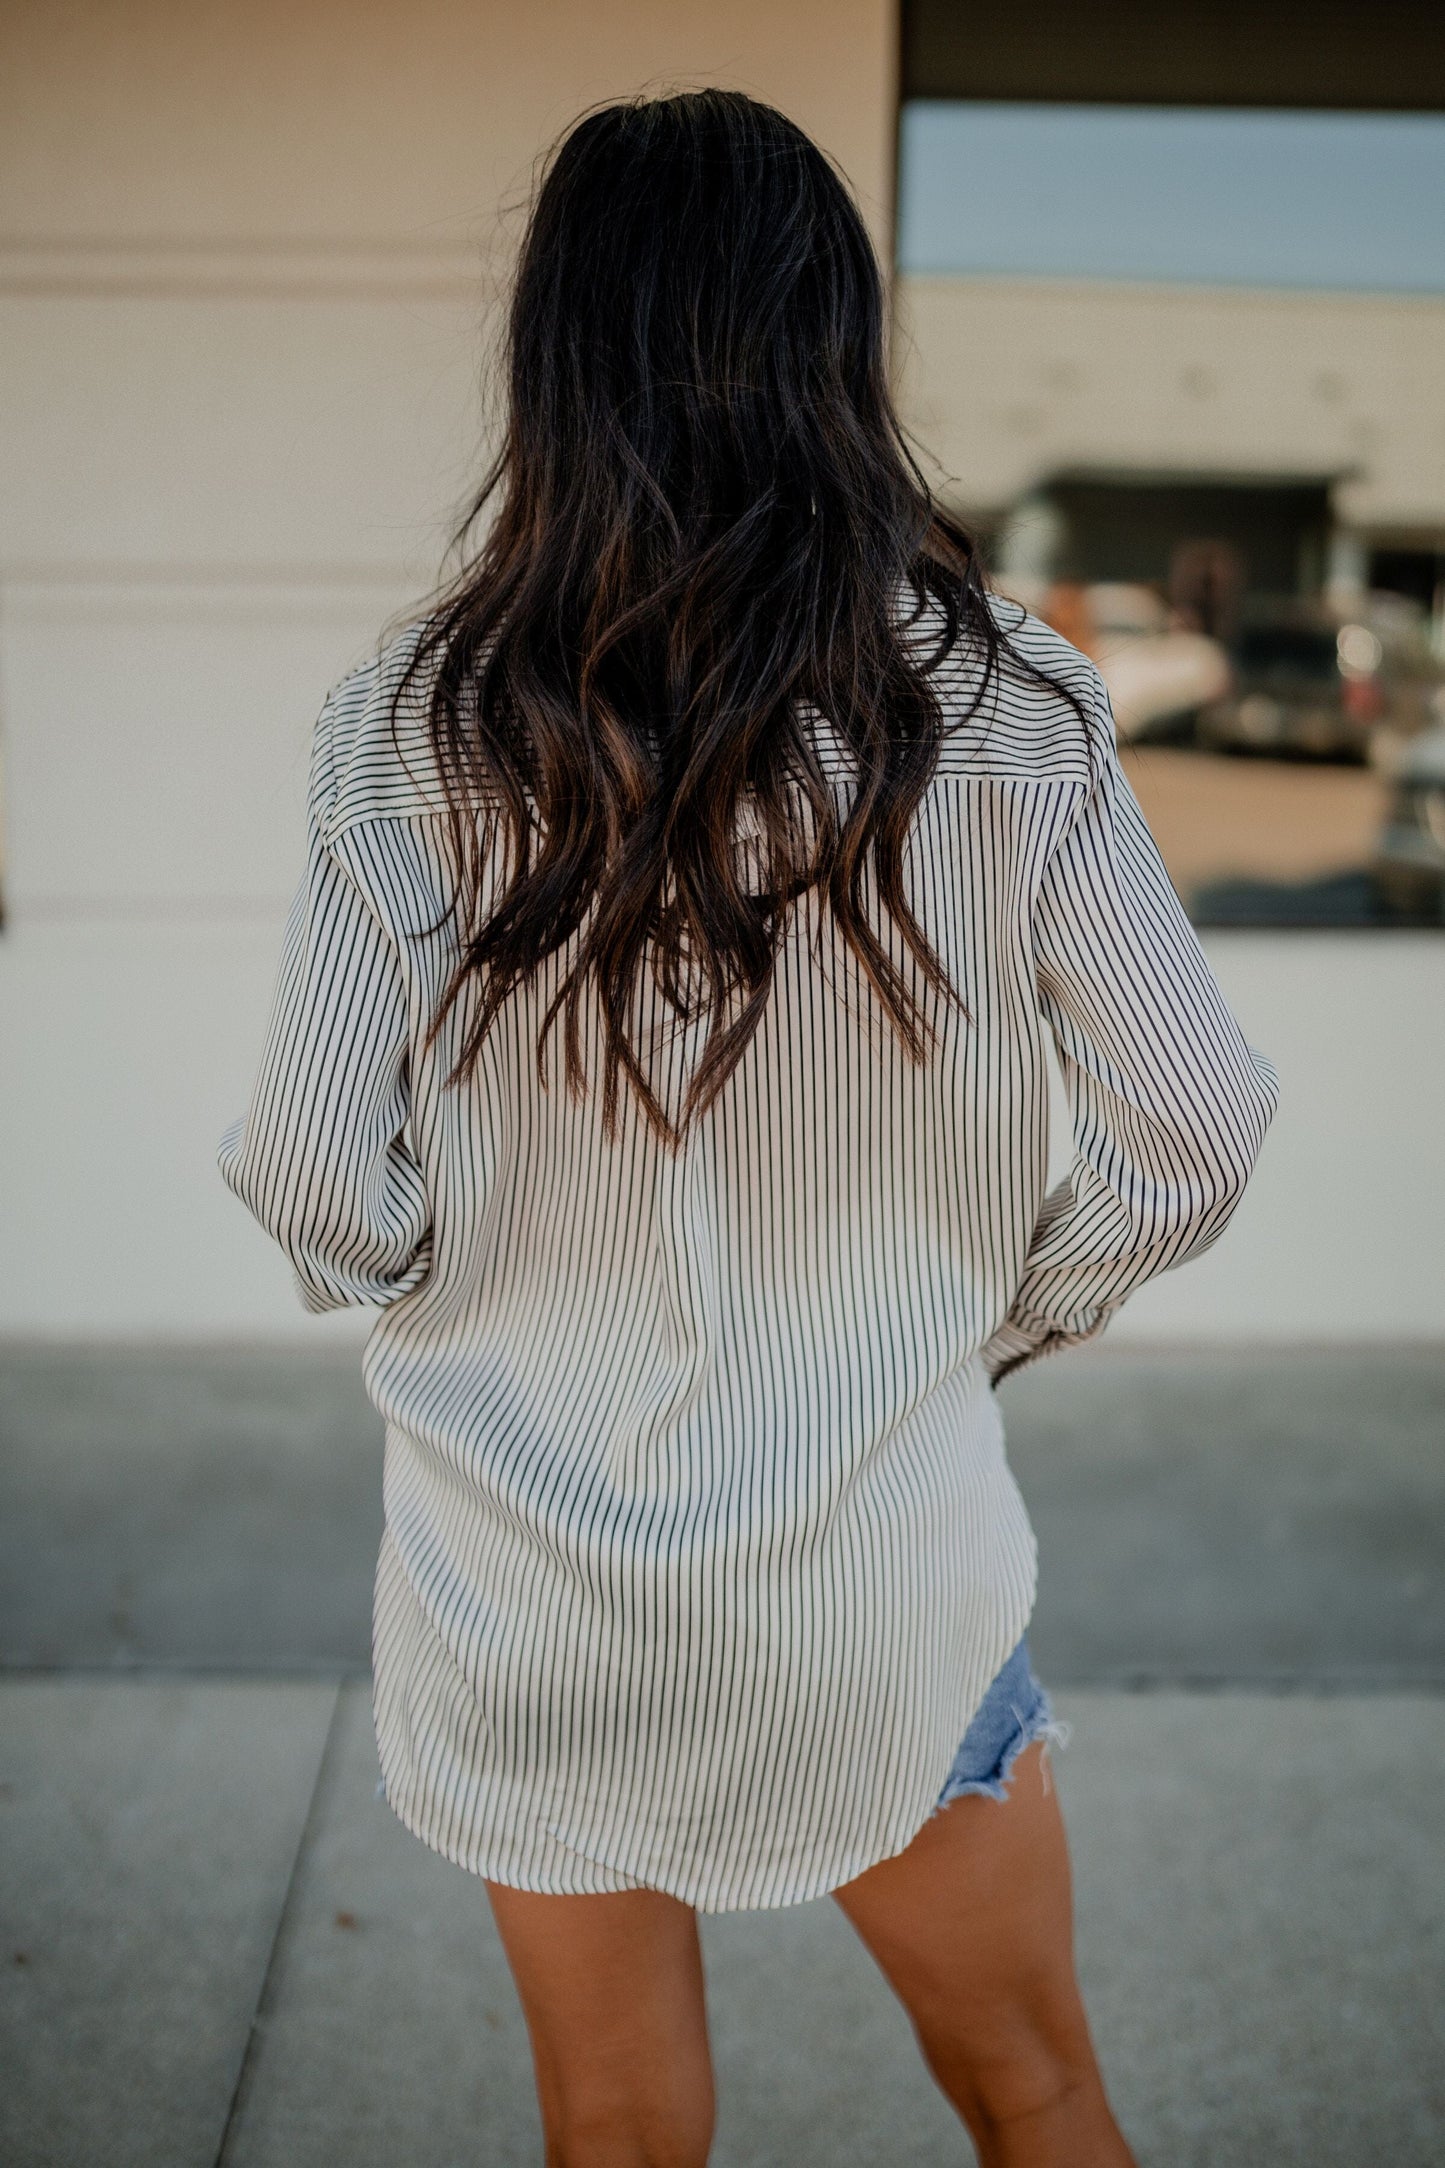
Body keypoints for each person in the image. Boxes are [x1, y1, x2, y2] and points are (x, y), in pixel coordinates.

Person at [219, 89, 1279, 2168]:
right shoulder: (1008, 710)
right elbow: (1201, 1123)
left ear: (559, 362)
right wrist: (991, 1313)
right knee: (1039, 2095)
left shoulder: (405, 723)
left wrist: (478, 1275)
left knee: (615, 2134)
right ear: (833, 350)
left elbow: (309, 1172)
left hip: (527, 1590)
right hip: (879, 1579)